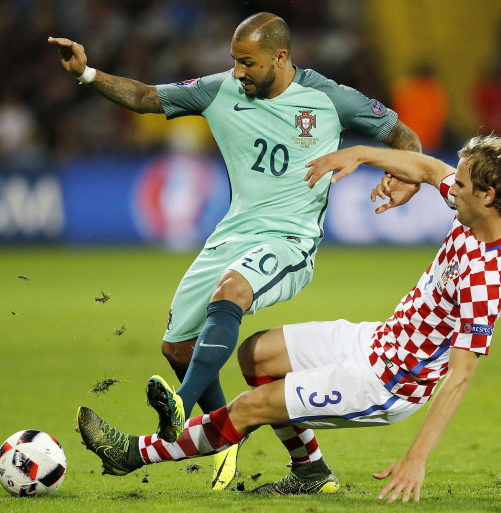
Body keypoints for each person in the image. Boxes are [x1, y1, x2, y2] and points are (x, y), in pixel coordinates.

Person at [49, 12, 421, 490]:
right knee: (177, 345)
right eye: (234, 61)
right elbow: (146, 99)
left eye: (248, 63)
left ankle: (180, 407)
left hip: (290, 240)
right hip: (233, 234)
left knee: (232, 292)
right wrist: (86, 72)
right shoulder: (220, 89)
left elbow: (402, 136)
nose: (238, 72)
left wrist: (406, 178)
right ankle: (298, 464)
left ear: (280, 57)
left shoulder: (329, 98)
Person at [75, 135, 501, 502]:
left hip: (388, 381)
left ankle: (132, 454)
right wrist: (360, 154)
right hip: (377, 339)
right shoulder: (481, 211)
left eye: (461, 186)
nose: (450, 188)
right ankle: (310, 472)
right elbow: (431, 168)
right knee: (256, 354)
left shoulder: (489, 277)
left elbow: (458, 377)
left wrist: (416, 458)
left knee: (251, 407)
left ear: (489, 195)